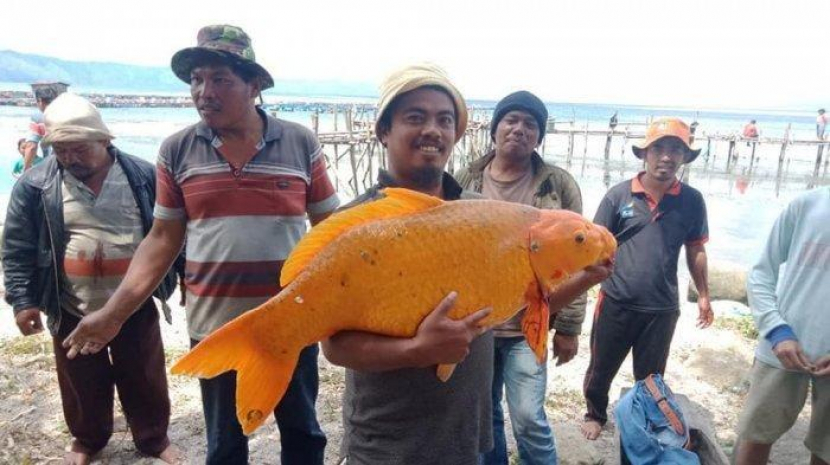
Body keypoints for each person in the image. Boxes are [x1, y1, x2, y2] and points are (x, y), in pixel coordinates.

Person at [60, 25, 339, 465]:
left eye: (220, 80)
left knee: (302, 432)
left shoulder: (300, 142)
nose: (203, 92)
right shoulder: (177, 150)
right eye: (196, 80)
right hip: (216, 327)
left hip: (289, 322)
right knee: (225, 443)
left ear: (255, 86)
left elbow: (332, 229)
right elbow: (162, 239)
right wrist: (113, 313)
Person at [319, 63, 497, 465]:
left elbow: (505, 300)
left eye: (444, 119)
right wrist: (417, 349)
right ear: (384, 131)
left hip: (464, 433)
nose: (432, 129)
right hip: (386, 442)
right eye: (415, 117)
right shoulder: (354, 225)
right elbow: (335, 345)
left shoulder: (482, 216)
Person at [2, 93, 181, 465]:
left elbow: (172, 235)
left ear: (104, 140)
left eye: (78, 149)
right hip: (69, 305)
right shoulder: (35, 185)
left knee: (145, 374)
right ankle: (88, 439)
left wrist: (186, 283)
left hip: (133, 301)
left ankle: (152, 438)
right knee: (80, 380)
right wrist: (24, 301)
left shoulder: (144, 176)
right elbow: (17, 247)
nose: (69, 158)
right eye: (61, 150)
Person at [455, 90, 611, 465]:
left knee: (528, 417)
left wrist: (570, 327)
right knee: (485, 415)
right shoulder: (464, 179)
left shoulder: (558, 184)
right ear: (495, 129)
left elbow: (582, 257)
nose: (519, 129)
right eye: (511, 120)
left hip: (532, 320)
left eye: (530, 124)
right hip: (478, 322)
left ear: (539, 136)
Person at [581, 117, 712, 440]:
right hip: (616, 301)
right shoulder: (618, 195)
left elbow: (695, 249)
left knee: (652, 376)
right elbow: (593, 245)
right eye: (659, 149)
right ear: (645, 154)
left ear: (684, 157)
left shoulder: (692, 201)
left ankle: (643, 421)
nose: (666, 156)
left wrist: (705, 295)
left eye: (675, 149)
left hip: (662, 306)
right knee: (601, 367)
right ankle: (595, 414)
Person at [733, 186, 830, 465]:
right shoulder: (807, 205)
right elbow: (762, 271)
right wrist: (777, 330)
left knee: (826, 449)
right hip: (782, 346)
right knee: (755, 436)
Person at [22, 82, 69, 170]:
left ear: (39, 100)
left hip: (55, 166)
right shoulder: (69, 114)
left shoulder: (38, 118)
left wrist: (25, 171)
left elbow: (31, 147)